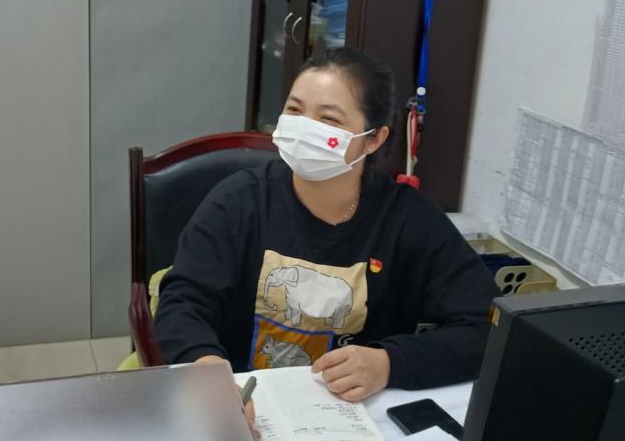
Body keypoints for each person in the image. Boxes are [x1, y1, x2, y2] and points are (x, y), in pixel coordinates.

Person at [154, 47, 497, 402]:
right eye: (295, 110)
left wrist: (389, 363)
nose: (305, 128)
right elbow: (181, 304)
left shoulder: (408, 218)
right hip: (248, 403)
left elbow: (488, 326)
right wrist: (209, 372)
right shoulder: (239, 202)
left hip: (355, 410)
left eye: (329, 119)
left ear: (374, 139)